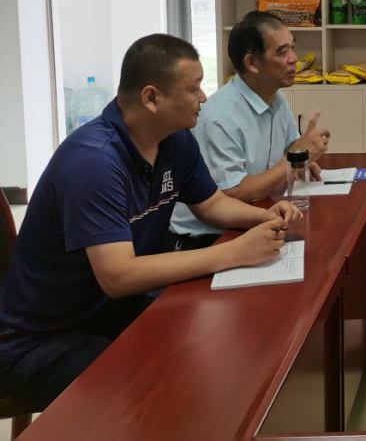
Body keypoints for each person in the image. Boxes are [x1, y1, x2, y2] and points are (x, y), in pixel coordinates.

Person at [0, 34, 303, 411]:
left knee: (215, 341)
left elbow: (211, 204)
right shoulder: (93, 162)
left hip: (113, 311)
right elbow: (118, 276)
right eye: (193, 88)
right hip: (43, 339)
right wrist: (234, 253)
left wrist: (265, 216)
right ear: (151, 98)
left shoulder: (175, 140)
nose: (203, 97)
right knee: (153, 390)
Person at [169, 11, 331, 250]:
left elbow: (290, 149)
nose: (294, 58)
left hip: (259, 215)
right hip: (209, 238)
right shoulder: (221, 117)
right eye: (282, 52)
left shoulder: (276, 98)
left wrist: (302, 161)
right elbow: (233, 194)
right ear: (252, 63)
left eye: (292, 48)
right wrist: (293, 158)